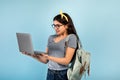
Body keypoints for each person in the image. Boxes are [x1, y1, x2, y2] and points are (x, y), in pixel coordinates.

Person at [22, 11, 80, 80]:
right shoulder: (51, 38)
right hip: (50, 73)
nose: (56, 28)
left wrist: (49, 57)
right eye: (54, 25)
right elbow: (45, 60)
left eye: (58, 25)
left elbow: (66, 61)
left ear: (66, 26)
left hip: (62, 74)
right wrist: (31, 55)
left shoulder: (71, 37)